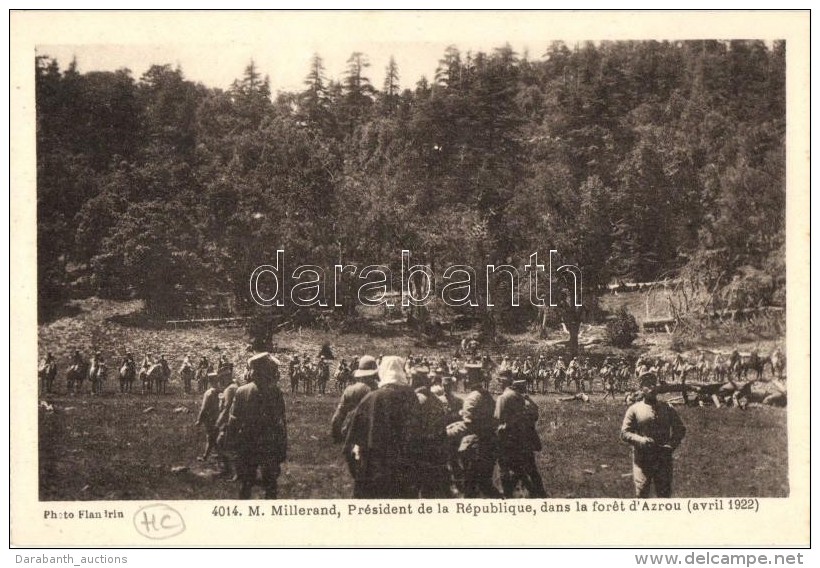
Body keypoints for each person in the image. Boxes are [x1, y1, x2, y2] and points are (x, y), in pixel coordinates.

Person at [344, 356, 422, 499]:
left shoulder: (371, 398)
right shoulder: (412, 397)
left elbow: (352, 440)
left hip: (375, 471)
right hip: (404, 472)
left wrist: (357, 472)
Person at [229, 352, 288, 499]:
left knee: (246, 483)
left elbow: (234, 420)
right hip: (269, 443)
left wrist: (230, 441)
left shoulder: (242, 391)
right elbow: (280, 422)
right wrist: (282, 446)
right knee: (270, 484)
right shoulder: (275, 392)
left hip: (247, 442)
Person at [620, 372, 686, 498]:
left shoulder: (667, 408)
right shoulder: (635, 409)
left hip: (663, 458)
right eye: (647, 385)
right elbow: (624, 433)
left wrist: (671, 445)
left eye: (653, 384)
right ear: (641, 389)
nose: (651, 388)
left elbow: (680, 429)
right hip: (642, 459)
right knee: (642, 492)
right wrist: (640, 440)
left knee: (664, 494)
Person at [448, 367, 501, 498]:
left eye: (467, 377)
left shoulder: (472, 397)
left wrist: (449, 431)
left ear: (470, 378)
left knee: (471, 486)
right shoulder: (486, 395)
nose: (465, 379)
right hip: (489, 443)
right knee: (484, 484)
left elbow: (468, 425)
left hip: (475, 447)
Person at [495, 376, 547, 498]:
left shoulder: (504, 397)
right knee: (530, 469)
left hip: (510, 439)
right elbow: (534, 416)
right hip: (525, 439)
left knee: (508, 468)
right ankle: (539, 493)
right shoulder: (524, 400)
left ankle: (509, 495)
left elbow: (498, 418)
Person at [331, 355, 379, 445]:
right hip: (374, 436)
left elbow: (337, 417)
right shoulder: (378, 389)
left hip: (352, 432)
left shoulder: (350, 389)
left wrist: (337, 436)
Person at [195, 376, 223, 462]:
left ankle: (206, 457)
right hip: (218, 417)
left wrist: (199, 420)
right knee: (214, 437)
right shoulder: (221, 391)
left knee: (210, 437)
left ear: (210, 381)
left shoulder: (209, 393)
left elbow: (204, 408)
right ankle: (216, 455)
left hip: (210, 418)